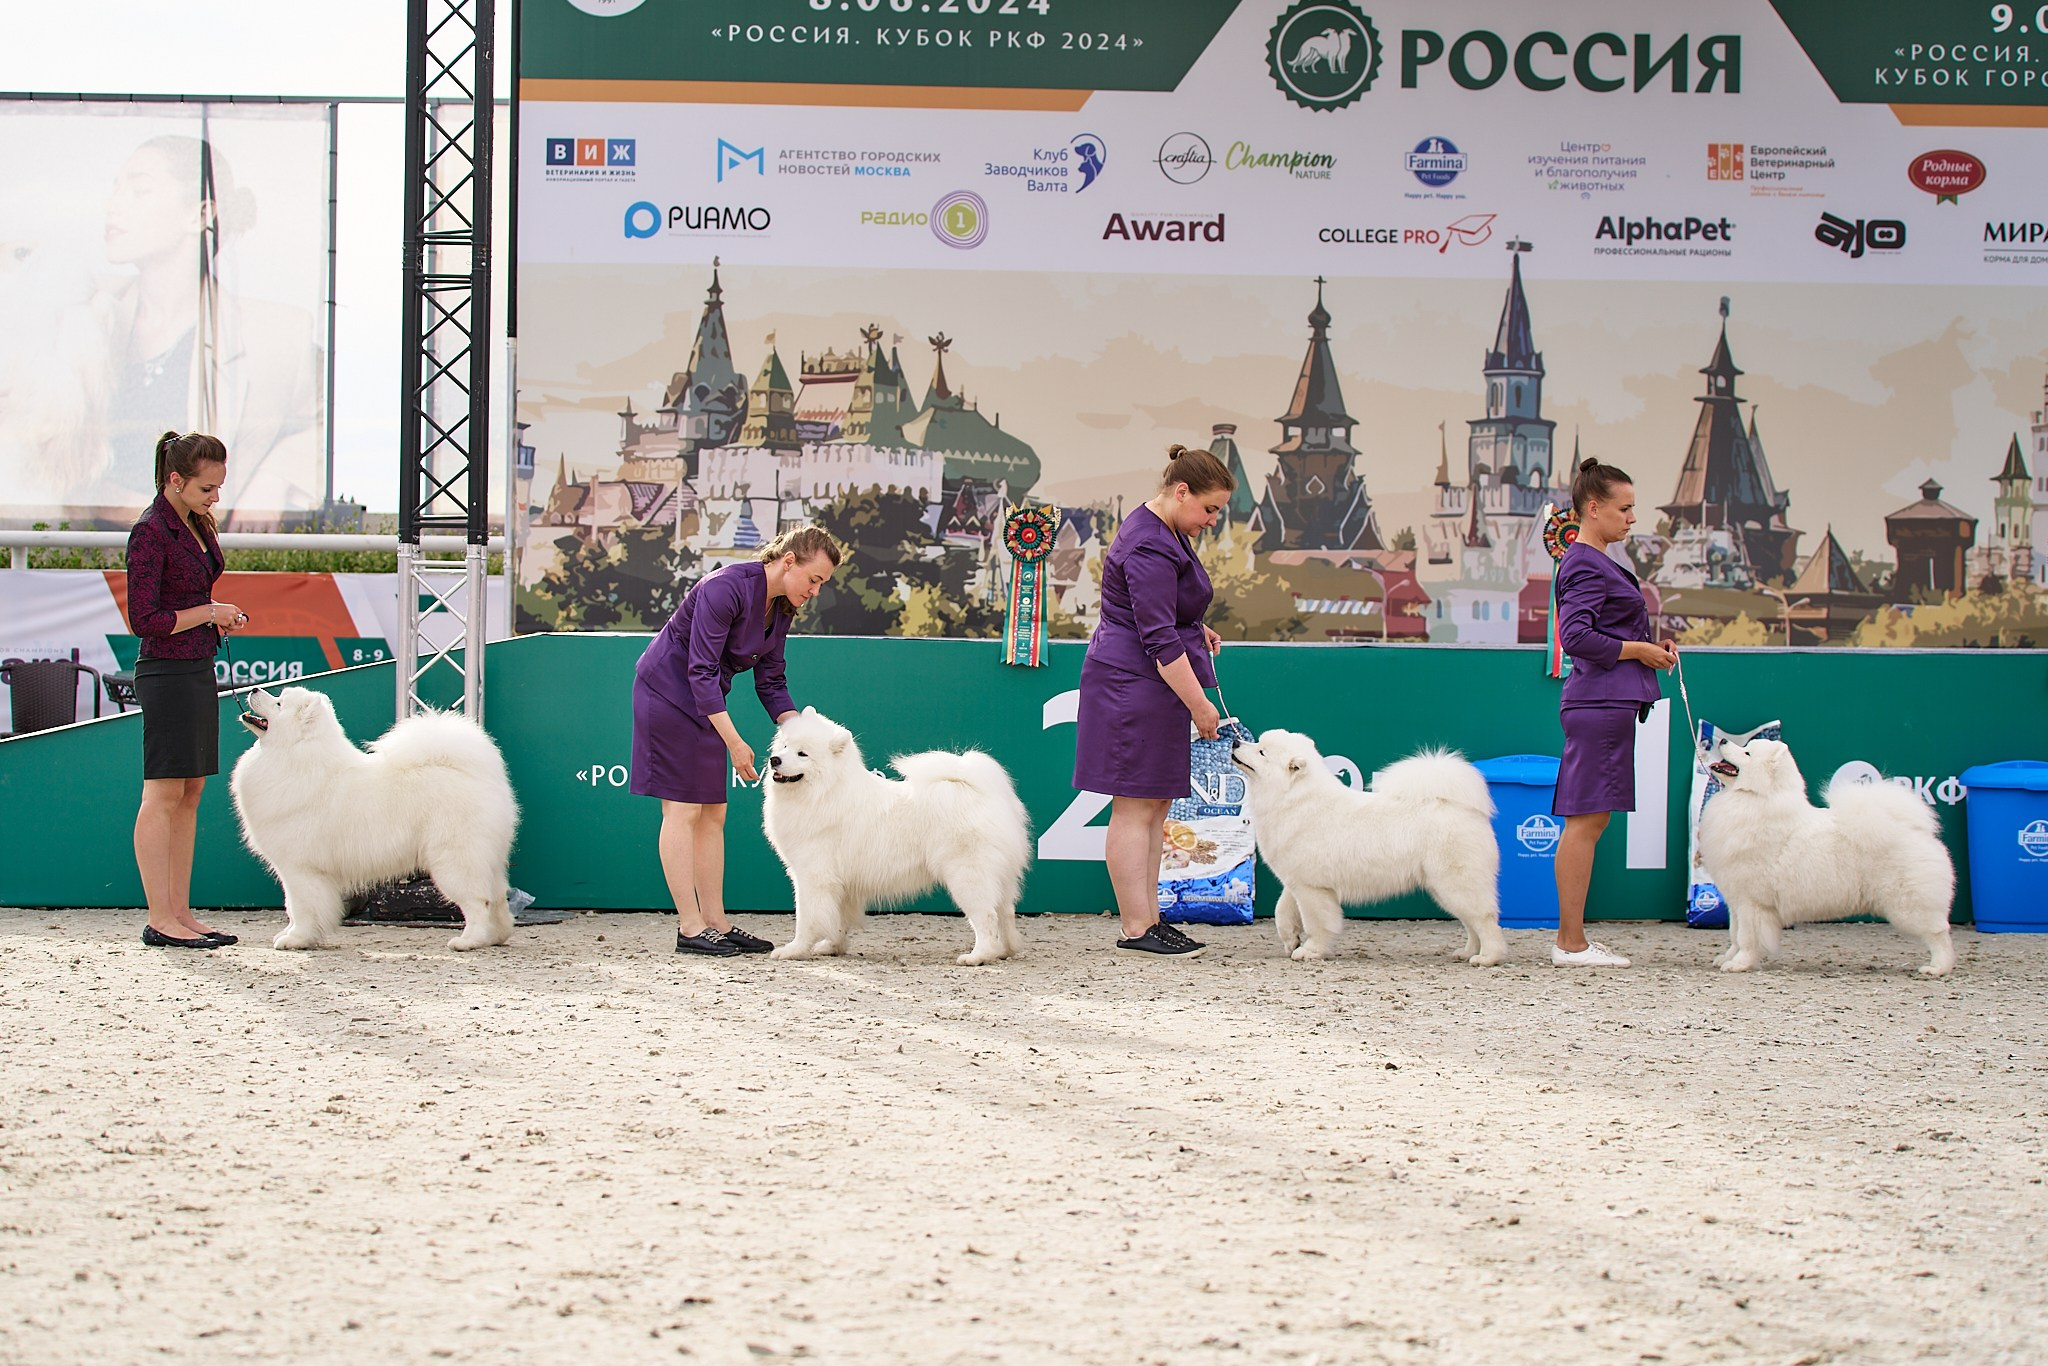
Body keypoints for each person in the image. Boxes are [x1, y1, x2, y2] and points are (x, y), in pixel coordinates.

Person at [631, 527, 841, 956]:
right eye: (814, 579)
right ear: (788, 562)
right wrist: (734, 741)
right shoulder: (724, 587)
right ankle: (690, 929)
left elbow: (772, 679)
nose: (815, 591)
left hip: (707, 704)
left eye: (822, 584)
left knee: (714, 815)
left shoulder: (781, 608)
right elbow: (700, 670)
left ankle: (716, 924)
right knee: (683, 810)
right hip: (667, 695)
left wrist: (801, 732)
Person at [1074, 444, 1233, 958]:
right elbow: (1158, 639)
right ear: (1181, 491)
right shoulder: (1149, 543)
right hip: (1132, 684)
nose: (1211, 520)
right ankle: (1137, 927)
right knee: (1134, 807)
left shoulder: (1166, 530)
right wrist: (1200, 706)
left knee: (1154, 805)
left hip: (1148, 681)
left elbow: (1161, 612)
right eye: (1209, 508)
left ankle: (1150, 920)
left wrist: (1196, 626)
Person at [1550, 457, 1677, 968]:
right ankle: (1570, 943)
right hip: (1599, 703)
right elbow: (1575, 636)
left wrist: (1648, 646)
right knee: (1585, 822)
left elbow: (1602, 630)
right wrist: (1638, 651)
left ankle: (1571, 940)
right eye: (1624, 509)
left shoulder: (1599, 561)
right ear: (1594, 508)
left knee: (1590, 820)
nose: (1632, 518)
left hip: (1607, 702)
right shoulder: (1583, 562)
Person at [126, 431, 247, 949]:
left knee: (191, 791)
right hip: (166, 673)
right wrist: (209, 614)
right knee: (163, 793)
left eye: (218, 487)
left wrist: (216, 619)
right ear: (175, 480)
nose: (215, 497)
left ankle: (179, 911)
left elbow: (191, 594)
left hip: (196, 665)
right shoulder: (150, 531)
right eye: (206, 488)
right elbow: (144, 618)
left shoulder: (194, 522)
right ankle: (160, 918)